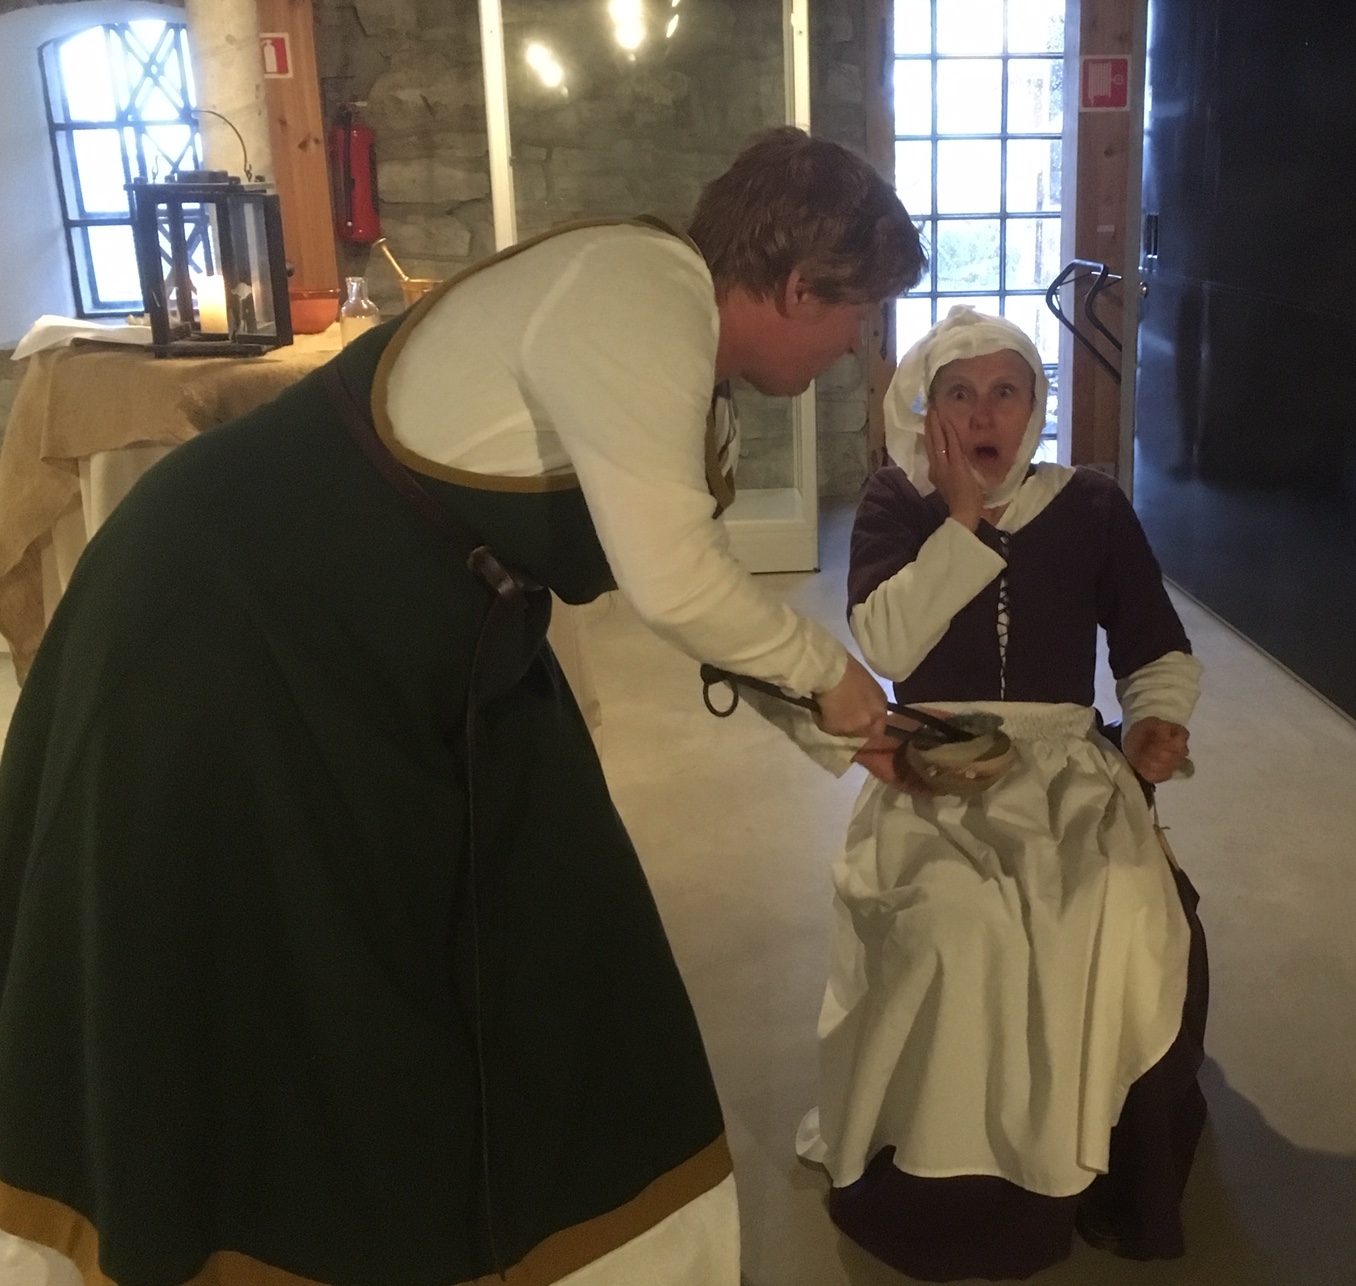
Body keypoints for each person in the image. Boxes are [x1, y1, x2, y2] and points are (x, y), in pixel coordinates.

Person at [0, 127, 923, 1286]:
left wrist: (847, 727)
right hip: (226, 607)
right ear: (795, 285)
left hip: (376, 631)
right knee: (260, 939)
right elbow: (678, 583)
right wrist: (836, 674)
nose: (854, 348)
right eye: (858, 314)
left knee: (538, 903)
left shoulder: (677, 339)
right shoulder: (640, 290)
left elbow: (691, 589)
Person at [792, 306, 1209, 1281]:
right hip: (929, 761)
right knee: (960, 921)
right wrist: (962, 519)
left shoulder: (1090, 503)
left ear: (1035, 404)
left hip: (1068, 762)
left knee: (1114, 908)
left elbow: (1153, 644)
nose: (984, 414)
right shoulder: (896, 502)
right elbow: (887, 644)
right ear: (926, 409)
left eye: (1005, 391)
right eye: (960, 393)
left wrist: (1152, 720)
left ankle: (1094, 1162)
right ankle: (956, 1189)